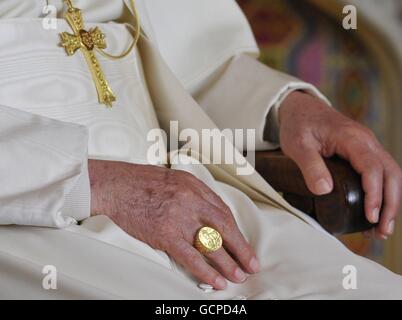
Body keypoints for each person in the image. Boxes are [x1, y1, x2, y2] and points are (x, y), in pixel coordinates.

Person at [0, 0, 401, 299]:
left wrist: (287, 107)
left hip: (183, 181)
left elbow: (193, 61)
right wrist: (95, 182)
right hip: (29, 201)